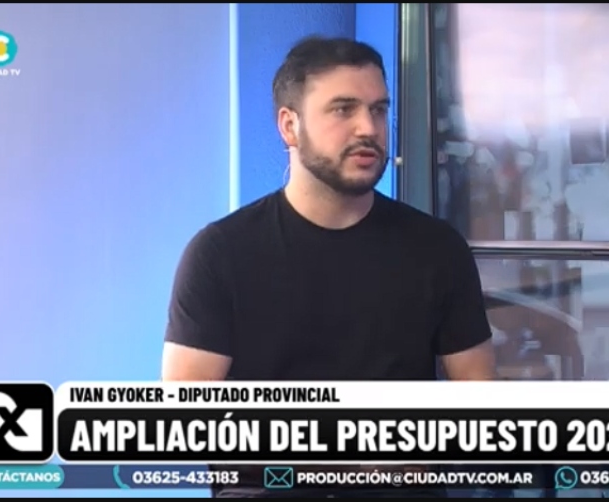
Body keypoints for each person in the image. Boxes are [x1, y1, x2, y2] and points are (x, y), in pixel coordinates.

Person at [161, 36, 496, 498]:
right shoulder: (220, 253)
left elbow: (479, 397)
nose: (368, 128)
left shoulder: (437, 249)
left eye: (378, 110)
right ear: (289, 126)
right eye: (343, 109)